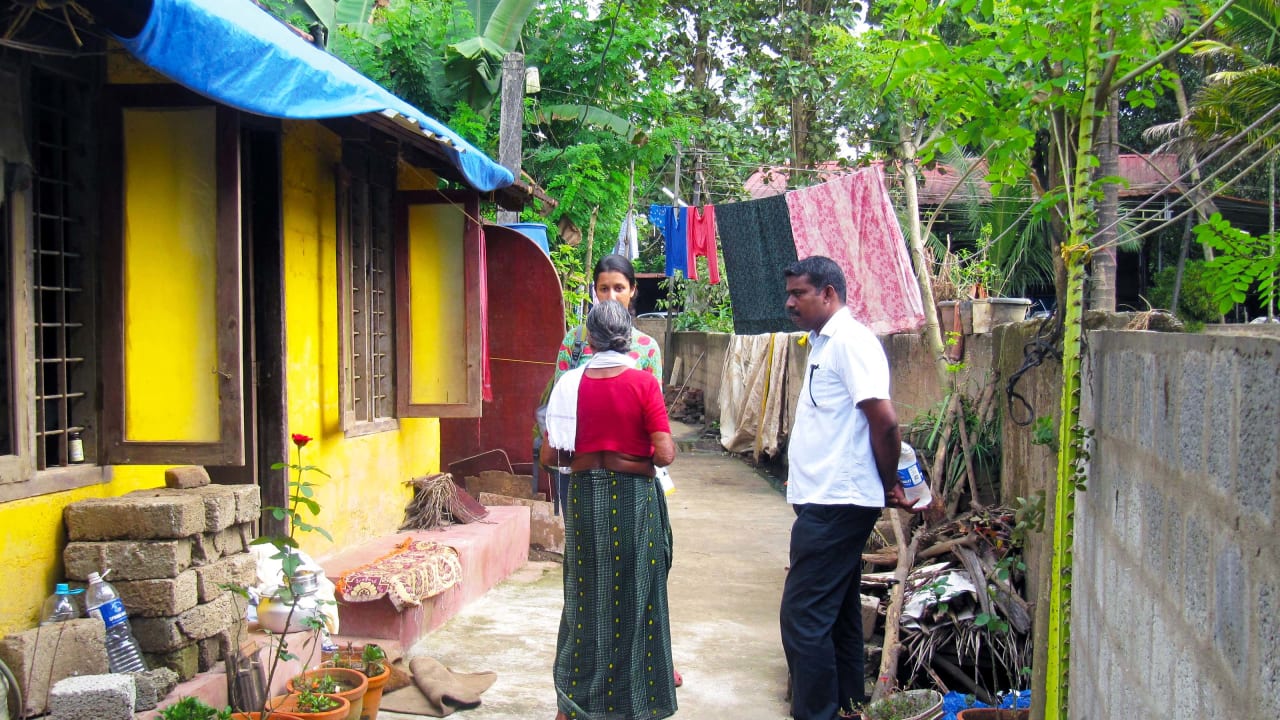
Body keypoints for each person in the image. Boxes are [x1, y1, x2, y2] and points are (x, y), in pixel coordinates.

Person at [778, 256, 919, 720]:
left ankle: (817, 713)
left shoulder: (851, 343)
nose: (790, 302)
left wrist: (888, 483)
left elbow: (884, 420)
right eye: (790, 293)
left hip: (838, 503)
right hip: (827, 499)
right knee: (836, 612)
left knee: (803, 618)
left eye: (799, 293)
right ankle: (847, 706)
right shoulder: (823, 343)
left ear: (829, 294)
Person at [541, 300, 678, 720]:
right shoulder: (642, 383)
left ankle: (573, 703)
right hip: (633, 496)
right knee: (637, 592)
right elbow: (666, 454)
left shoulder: (569, 383)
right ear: (628, 336)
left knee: (585, 594)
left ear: (588, 338)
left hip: (584, 498)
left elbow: (550, 455)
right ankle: (635, 699)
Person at [535, 253, 663, 516]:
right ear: (595, 291)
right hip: (578, 464)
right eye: (604, 289)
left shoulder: (648, 348)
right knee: (582, 541)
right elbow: (560, 406)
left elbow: (655, 418)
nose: (611, 297)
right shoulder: (575, 341)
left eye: (619, 288)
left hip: (631, 468)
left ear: (632, 291)